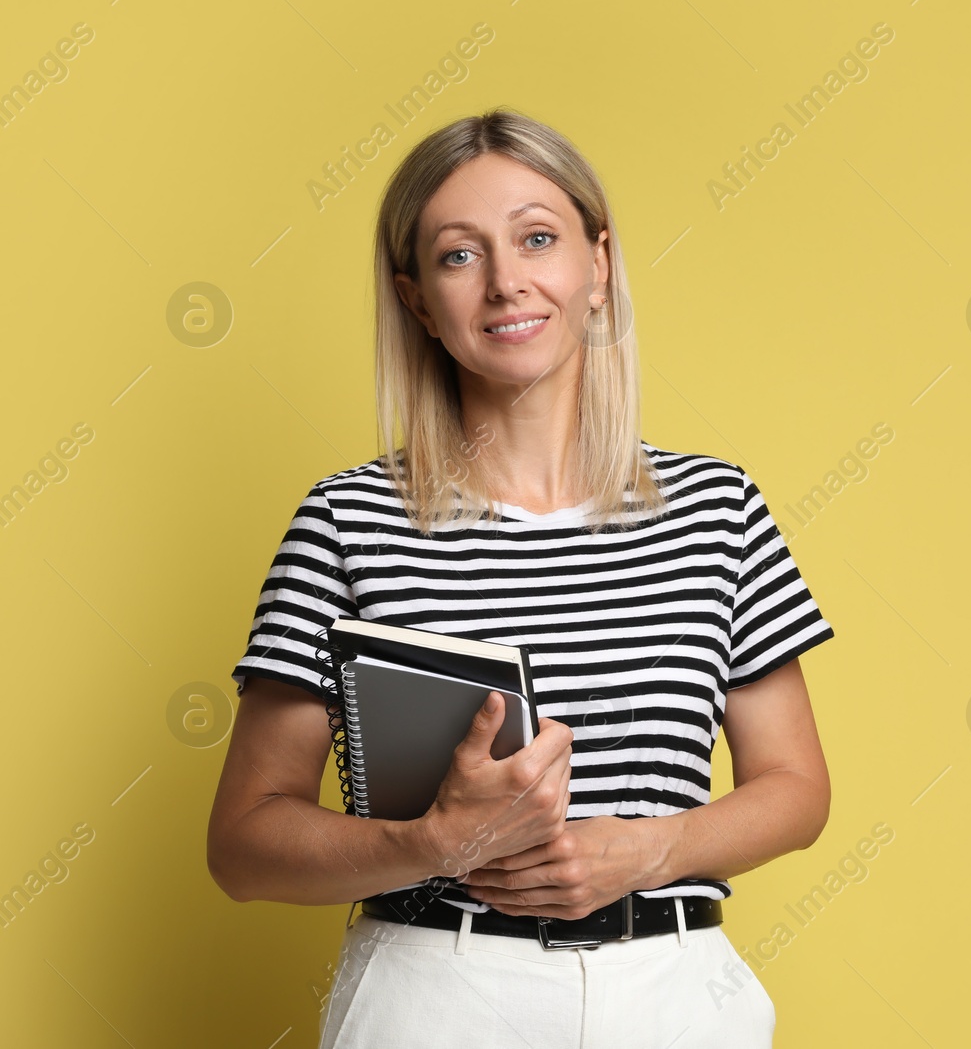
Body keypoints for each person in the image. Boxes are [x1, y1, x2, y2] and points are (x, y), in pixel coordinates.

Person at [206, 106, 836, 1048]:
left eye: (537, 238)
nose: (506, 282)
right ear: (419, 301)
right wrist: (430, 843)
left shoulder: (719, 506)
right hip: (438, 991)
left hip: (671, 989)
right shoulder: (349, 521)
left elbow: (796, 787)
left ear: (599, 266)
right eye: (460, 255)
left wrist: (648, 848)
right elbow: (244, 844)